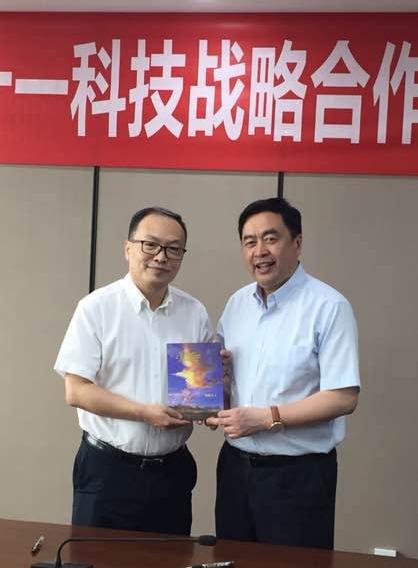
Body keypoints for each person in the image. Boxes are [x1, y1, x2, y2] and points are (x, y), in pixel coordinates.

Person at [208, 197, 360, 549]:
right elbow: (230, 385)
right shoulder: (237, 304)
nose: (259, 251)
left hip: (298, 476)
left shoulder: (329, 307)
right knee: (232, 558)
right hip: (235, 469)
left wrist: (265, 419)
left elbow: (343, 397)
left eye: (270, 238)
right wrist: (218, 391)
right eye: (249, 241)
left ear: (297, 243)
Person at [54, 206, 213, 534]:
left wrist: (210, 400)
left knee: (169, 557)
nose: (161, 256)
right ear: (128, 248)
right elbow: (76, 390)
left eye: (173, 249)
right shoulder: (96, 308)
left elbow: (198, 393)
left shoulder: (193, 312)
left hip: (172, 472)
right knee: (94, 556)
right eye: (150, 245)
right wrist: (143, 413)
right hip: (107, 471)